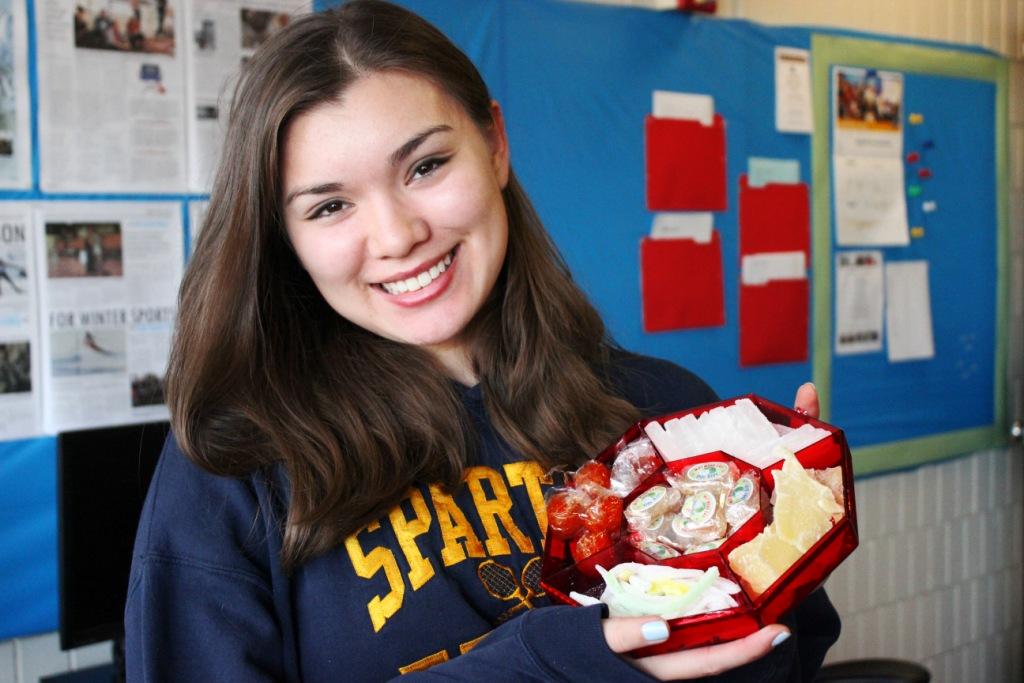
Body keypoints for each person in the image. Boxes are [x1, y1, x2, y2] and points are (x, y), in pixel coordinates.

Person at [124, 2, 838, 681]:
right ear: (288, 239)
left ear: (495, 145)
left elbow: (780, 662)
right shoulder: (234, 466)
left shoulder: (667, 411)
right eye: (332, 205)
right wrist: (547, 663)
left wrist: (778, 549)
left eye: (426, 166)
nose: (399, 235)